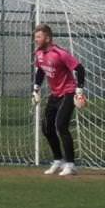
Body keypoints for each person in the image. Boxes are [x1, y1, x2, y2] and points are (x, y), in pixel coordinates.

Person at [33, 24, 87, 176]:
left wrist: (79, 91)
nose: (36, 40)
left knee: (61, 125)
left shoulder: (60, 53)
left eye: (39, 37)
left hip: (68, 93)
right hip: (55, 94)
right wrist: (36, 89)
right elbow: (41, 71)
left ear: (48, 38)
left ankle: (71, 165)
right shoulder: (38, 53)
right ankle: (58, 160)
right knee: (46, 128)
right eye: (35, 37)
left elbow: (80, 69)